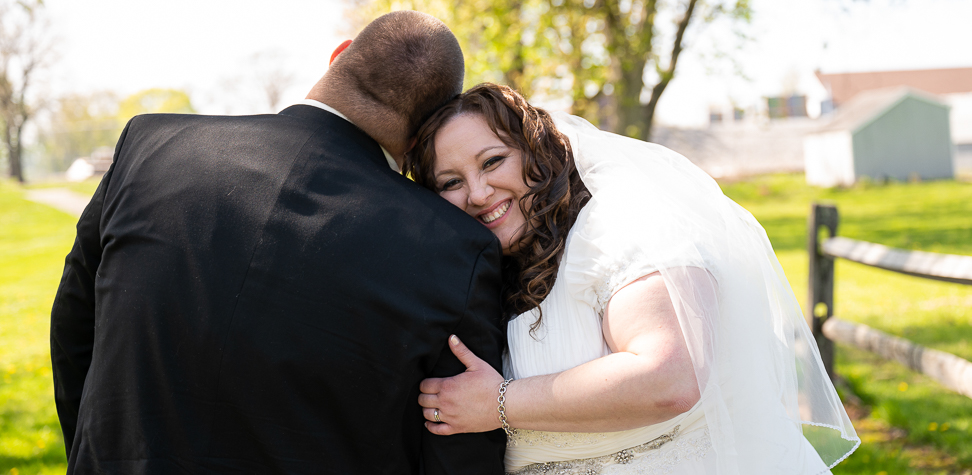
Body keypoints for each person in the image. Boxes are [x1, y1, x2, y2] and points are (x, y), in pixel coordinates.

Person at [49, 12, 507, 474]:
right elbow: (459, 444)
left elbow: (74, 326)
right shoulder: (456, 249)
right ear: (422, 135)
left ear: (338, 56)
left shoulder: (150, 145)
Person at [406, 83, 860, 474]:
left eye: (492, 161)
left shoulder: (621, 222)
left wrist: (499, 403)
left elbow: (670, 377)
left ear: (534, 151)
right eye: (450, 183)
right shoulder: (497, 266)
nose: (478, 194)